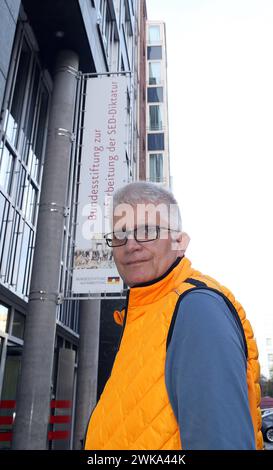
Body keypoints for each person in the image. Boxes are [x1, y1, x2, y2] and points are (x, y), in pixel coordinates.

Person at [84, 181, 263, 450]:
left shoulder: (196, 310)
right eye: (120, 234)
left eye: (147, 230)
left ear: (179, 241)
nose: (130, 245)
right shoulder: (144, 315)